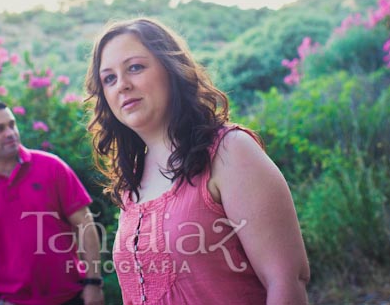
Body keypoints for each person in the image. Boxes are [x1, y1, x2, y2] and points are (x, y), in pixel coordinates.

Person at [85, 18, 310, 305]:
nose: (122, 85)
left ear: (172, 69)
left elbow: (287, 279)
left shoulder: (230, 151)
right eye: (109, 78)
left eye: (135, 67)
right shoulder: (132, 183)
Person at [0, 100, 105, 305]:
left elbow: (85, 223)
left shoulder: (51, 167)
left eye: (12, 124)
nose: (10, 132)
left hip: (74, 297)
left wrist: (93, 283)